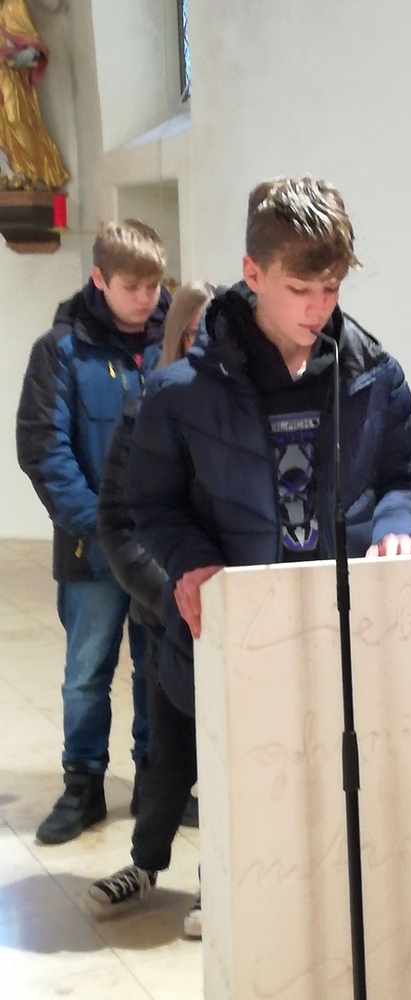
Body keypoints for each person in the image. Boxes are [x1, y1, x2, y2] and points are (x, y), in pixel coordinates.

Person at [84, 175, 411, 932]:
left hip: (344, 640)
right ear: (252, 273)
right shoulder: (179, 393)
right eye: (300, 288)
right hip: (237, 636)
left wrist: (402, 524)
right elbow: (150, 507)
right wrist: (189, 559)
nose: (319, 307)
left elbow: (402, 479)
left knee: (333, 819)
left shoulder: (375, 376)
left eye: (331, 287)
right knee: (245, 809)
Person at [16, 220, 170, 845]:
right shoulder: (60, 350)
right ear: (99, 279)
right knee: (87, 670)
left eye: (154, 285)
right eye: (132, 286)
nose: (147, 299)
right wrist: (101, 526)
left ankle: (158, 783)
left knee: (158, 669)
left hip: (161, 546)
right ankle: (83, 785)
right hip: (93, 547)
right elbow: (44, 448)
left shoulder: (176, 343)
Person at [87, 283, 214, 937]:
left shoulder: (242, 417)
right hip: (169, 619)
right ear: (178, 339)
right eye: (196, 336)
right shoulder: (144, 411)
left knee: (234, 762)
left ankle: (221, 882)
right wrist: (172, 592)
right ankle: (145, 863)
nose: (207, 348)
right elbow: (120, 520)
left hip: (238, 620)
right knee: (167, 756)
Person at [0, 0, 68, 189]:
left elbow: (34, 52)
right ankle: (7, 173)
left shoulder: (13, 5)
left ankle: (27, 172)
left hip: (11, 76)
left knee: (17, 120)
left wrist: (21, 56)